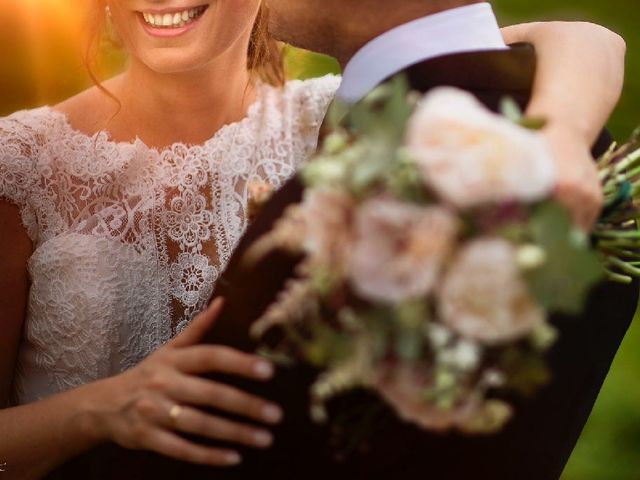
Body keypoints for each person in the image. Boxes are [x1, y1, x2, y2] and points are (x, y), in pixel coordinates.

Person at [0, 1, 630, 479]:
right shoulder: (19, 162)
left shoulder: (348, 116)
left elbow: (575, 39)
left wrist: (564, 132)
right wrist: (100, 409)